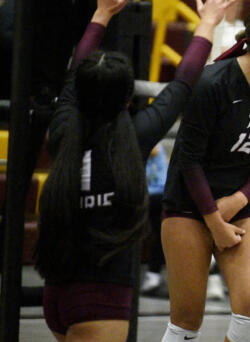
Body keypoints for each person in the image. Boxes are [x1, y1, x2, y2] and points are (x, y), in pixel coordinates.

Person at [33, 0, 233, 340]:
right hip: (102, 297)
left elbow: (75, 70)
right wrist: (209, 22)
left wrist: (101, 13)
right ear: (128, 98)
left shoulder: (63, 126)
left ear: (79, 92)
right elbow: (183, 83)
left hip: (57, 292)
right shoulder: (133, 137)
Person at [159, 3, 250, 341]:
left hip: (236, 204)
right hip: (189, 204)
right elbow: (188, 160)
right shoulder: (211, 83)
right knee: (187, 321)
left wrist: (235, 202)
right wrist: (212, 219)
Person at [141, 143, 168, 295]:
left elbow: (154, 149)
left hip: (158, 195)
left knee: (159, 235)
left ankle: (154, 274)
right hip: (149, 195)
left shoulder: (155, 146)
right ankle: (153, 274)